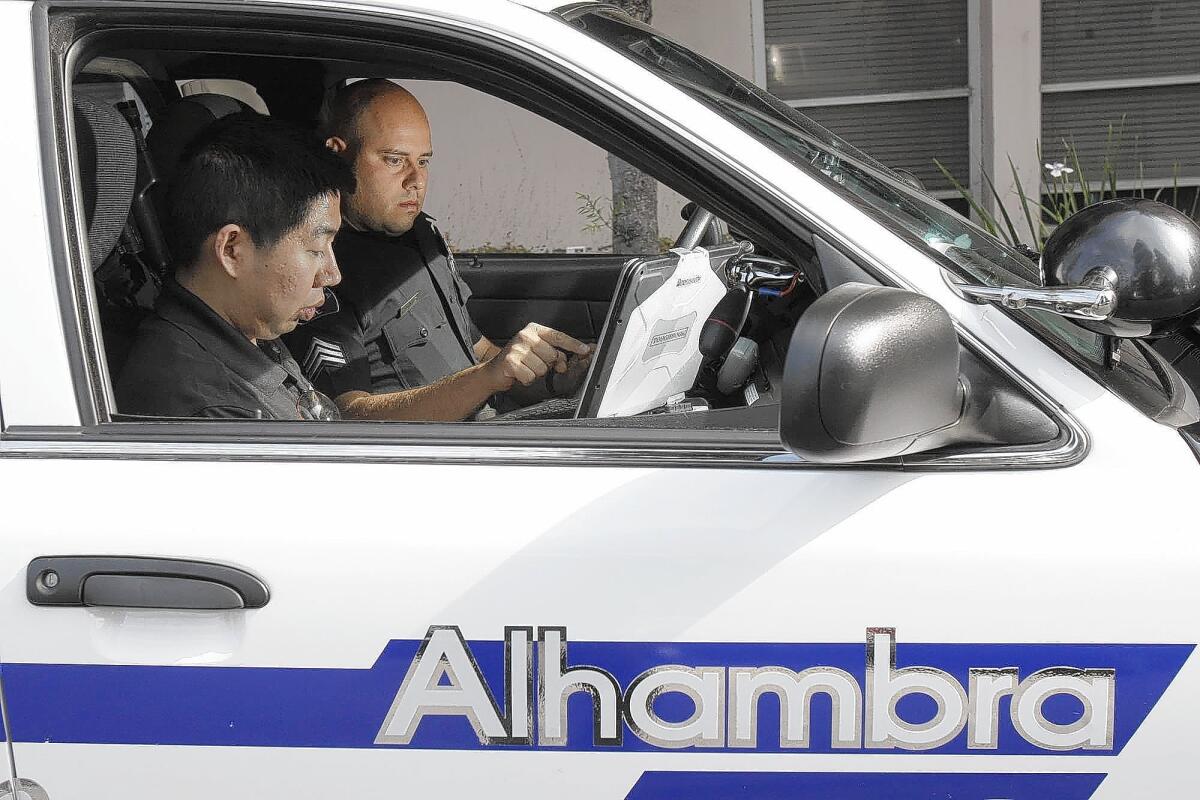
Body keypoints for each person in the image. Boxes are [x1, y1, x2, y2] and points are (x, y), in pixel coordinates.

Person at [283, 79, 592, 422]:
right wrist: (485, 378)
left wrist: (553, 381)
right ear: (337, 154)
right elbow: (347, 417)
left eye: (424, 161)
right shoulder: (322, 269)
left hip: (490, 431)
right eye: (395, 160)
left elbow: (480, 352)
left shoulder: (422, 234)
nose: (416, 179)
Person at [115, 114, 353, 420]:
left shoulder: (249, 333)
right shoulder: (213, 415)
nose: (333, 274)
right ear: (232, 250)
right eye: (317, 248)